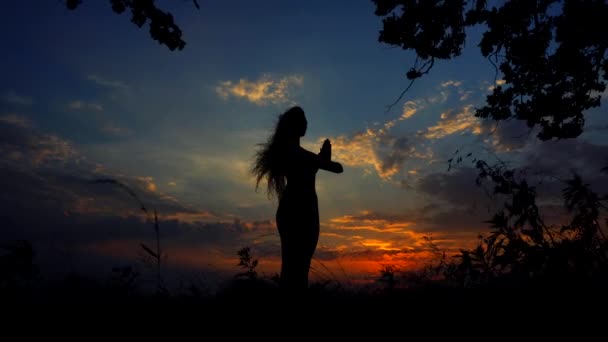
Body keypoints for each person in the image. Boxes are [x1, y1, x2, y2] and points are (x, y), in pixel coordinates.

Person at [252, 106, 343, 293]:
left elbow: (335, 167)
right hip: (299, 209)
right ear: (294, 126)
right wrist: (323, 160)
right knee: (297, 266)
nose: (307, 124)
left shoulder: (294, 153)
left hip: (299, 208)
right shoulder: (296, 154)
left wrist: (322, 159)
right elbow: (337, 168)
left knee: (296, 265)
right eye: (303, 120)